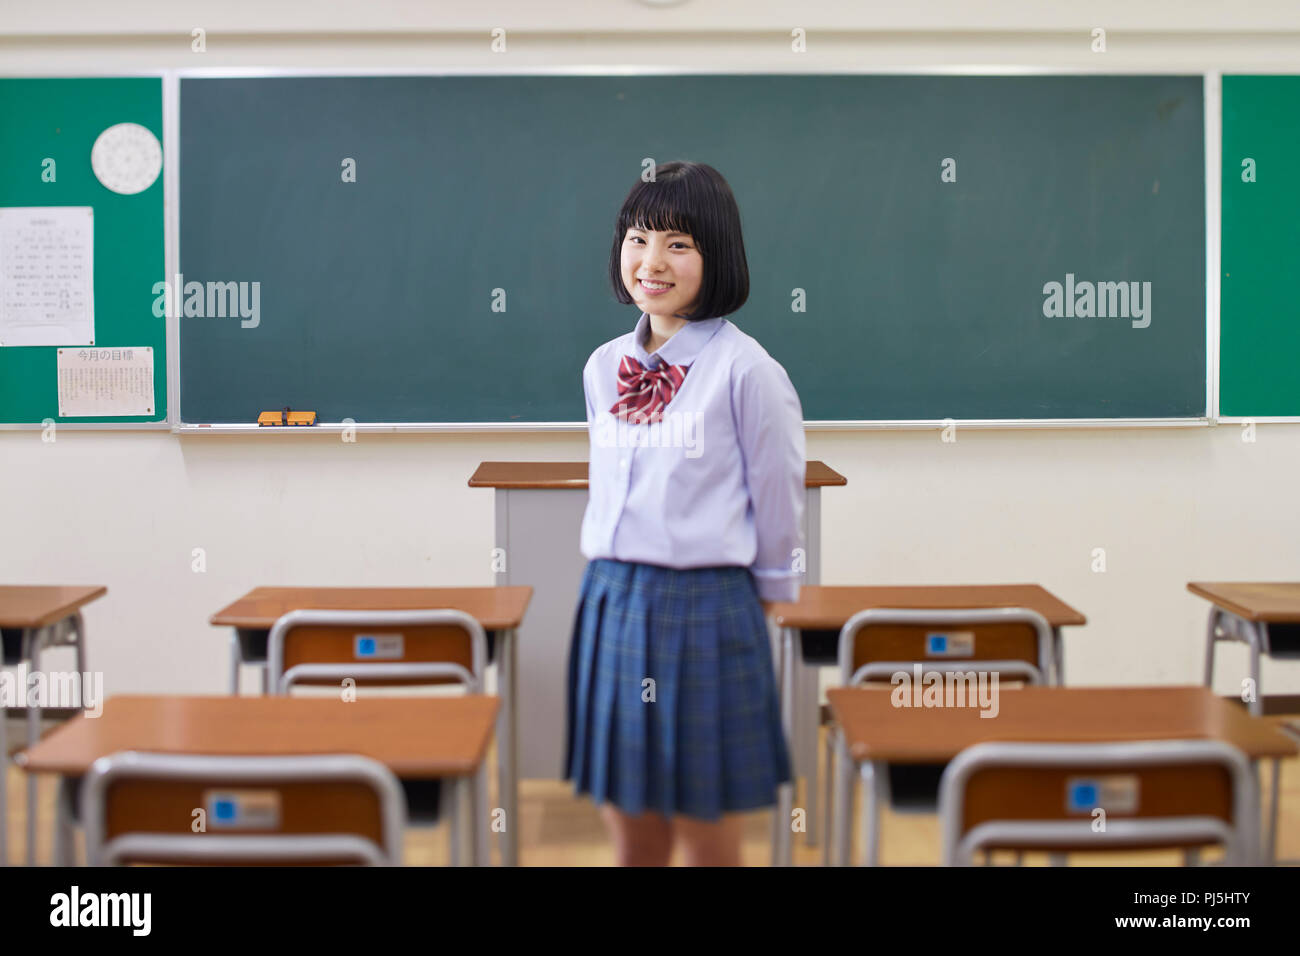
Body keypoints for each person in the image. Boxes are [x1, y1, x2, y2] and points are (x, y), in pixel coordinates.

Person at [564, 160, 806, 866]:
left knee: (706, 828)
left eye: (678, 243)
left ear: (716, 255)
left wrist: (766, 600)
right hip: (610, 596)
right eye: (639, 238)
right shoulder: (603, 365)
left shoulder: (748, 370)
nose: (652, 261)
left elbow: (779, 499)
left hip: (706, 603)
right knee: (629, 821)